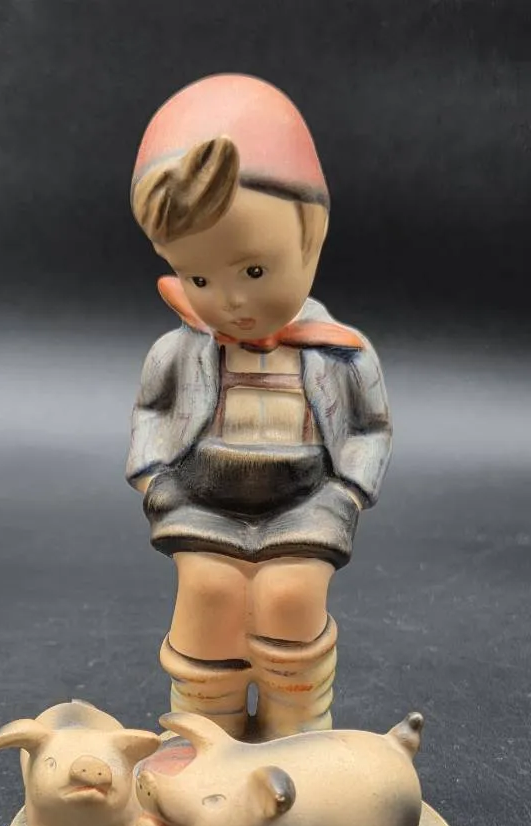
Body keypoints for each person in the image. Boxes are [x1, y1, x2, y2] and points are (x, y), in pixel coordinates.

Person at [127, 74, 392, 738]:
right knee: (208, 592)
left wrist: (347, 492)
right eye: (198, 277)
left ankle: (296, 730)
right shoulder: (179, 352)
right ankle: (202, 733)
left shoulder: (340, 353)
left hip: (305, 501)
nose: (231, 301)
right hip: (203, 499)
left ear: (312, 236)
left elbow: (370, 429)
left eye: (253, 271)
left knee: (290, 594)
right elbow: (151, 416)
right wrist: (156, 481)